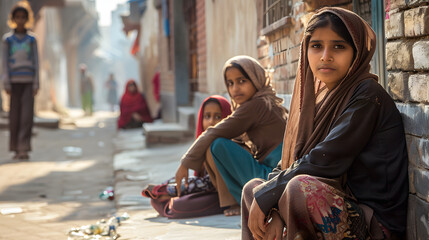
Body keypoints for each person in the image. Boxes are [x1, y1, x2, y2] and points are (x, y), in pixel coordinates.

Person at [242, 7, 408, 240]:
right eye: (316, 46)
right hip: (334, 198)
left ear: (356, 52)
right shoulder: (319, 99)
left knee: (298, 188)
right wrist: (270, 200)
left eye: (338, 46)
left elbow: (326, 159)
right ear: (306, 50)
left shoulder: (368, 95)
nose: (325, 56)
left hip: (372, 221)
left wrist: (271, 197)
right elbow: (291, 163)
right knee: (253, 190)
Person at [175, 55, 288, 216]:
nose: (235, 88)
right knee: (219, 144)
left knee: (216, 145)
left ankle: (239, 202)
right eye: (230, 83)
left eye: (242, 81)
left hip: (272, 177)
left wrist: (185, 164)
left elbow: (213, 132)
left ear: (256, 79)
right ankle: (238, 200)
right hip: (277, 174)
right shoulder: (264, 101)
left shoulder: (255, 105)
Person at [143, 95, 232, 218]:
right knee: (157, 199)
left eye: (218, 117)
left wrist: (170, 190)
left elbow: (209, 184)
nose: (211, 121)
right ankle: (169, 201)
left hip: (224, 196)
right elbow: (198, 180)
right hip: (206, 190)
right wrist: (168, 186)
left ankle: (170, 203)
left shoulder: (224, 145)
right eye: (207, 116)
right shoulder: (203, 144)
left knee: (178, 205)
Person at [2, 1, 38, 160]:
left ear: (27, 19)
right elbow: (4, 62)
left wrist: (37, 82)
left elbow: (37, 61)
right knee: (14, 116)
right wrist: (6, 82)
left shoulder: (32, 39)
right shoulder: (8, 40)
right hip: (13, 82)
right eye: (18, 17)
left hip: (29, 81)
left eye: (23, 17)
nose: (20, 20)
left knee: (27, 117)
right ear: (13, 19)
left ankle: (24, 147)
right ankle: (15, 148)